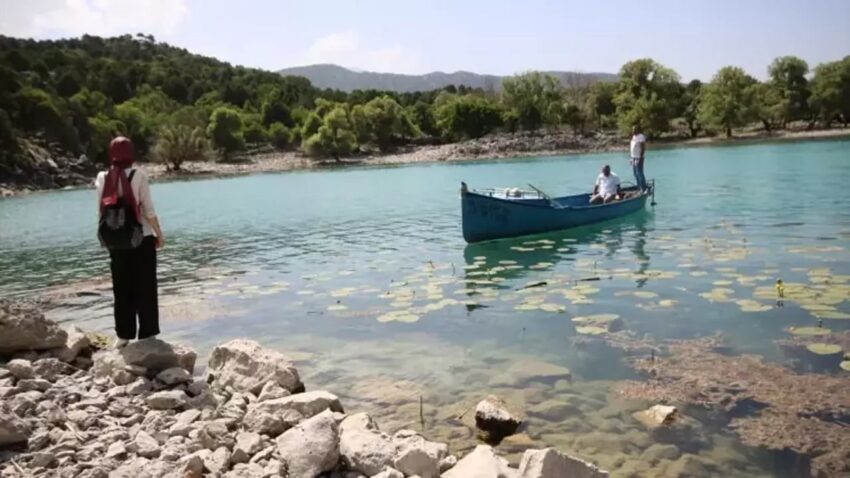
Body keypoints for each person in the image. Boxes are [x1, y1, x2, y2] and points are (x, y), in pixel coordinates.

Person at [95, 137, 164, 348]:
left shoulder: (102, 177)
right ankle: (147, 334)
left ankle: (123, 335)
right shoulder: (138, 175)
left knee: (121, 287)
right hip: (141, 237)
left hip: (116, 239)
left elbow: (101, 210)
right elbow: (148, 210)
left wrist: (103, 237)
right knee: (145, 285)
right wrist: (159, 233)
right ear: (131, 153)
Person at [630, 125, 647, 191]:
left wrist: (640, 157)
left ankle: (643, 187)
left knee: (639, 172)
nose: (633, 131)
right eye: (633, 129)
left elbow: (643, 148)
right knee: (635, 173)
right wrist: (631, 158)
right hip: (633, 157)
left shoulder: (641, 136)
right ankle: (638, 186)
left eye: (635, 129)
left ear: (638, 130)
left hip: (638, 157)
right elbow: (632, 148)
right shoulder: (633, 137)